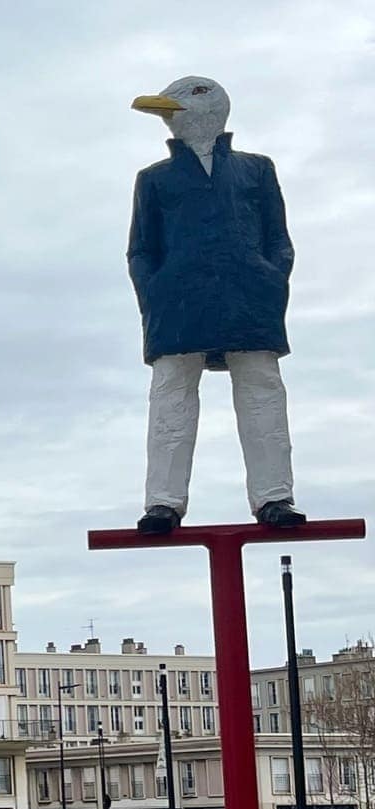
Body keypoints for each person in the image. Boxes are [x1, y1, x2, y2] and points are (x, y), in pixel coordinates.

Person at [127, 76, 305, 533]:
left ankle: (274, 496)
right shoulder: (154, 179)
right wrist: (154, 291)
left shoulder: (256, 170)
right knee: (171, 394)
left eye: (188, 95)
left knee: (262, 390)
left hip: (250, 296)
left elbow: (277, 237)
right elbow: (141, 249)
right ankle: (163, 502)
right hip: (177, 301)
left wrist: (271, 278)